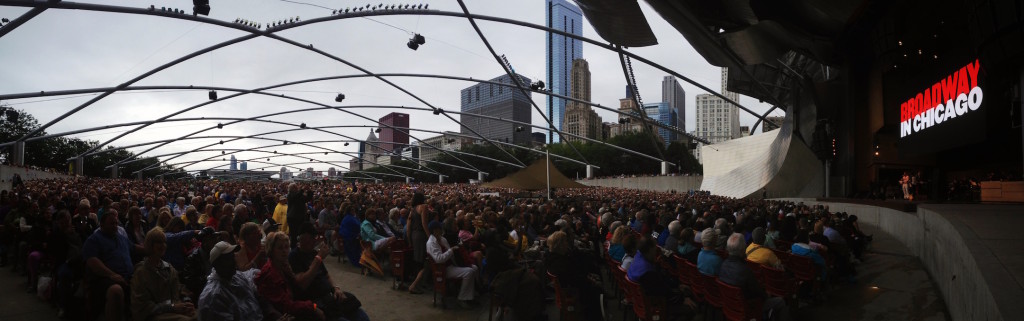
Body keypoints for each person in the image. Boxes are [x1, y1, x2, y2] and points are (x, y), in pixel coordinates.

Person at [290, 222, 371, 321]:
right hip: (317, 302)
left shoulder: (313, 253)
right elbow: (302, 284)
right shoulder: (294, 256)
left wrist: (336, 288)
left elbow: (326, 275)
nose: (315, 240)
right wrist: (318, 258)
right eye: (312, 238)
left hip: (330, 297)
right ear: (303, 238)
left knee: (362, 316)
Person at [719, 233, 791, 321]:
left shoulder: (722, 265)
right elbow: (758, 292)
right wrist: (766, 295)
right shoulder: (745, 271)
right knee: (780, 301)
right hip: (748, 306)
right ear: (743, 249)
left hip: (730, 304)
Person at [256, 232, 327, 320]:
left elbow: (297, 288)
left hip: (294, 306)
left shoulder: (282, 265)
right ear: (271, 250)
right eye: (280, 248)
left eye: (286, 247)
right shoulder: (270, 273)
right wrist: (313, 307)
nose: (284, 251)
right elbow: (287, 305)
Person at [130, 228, 197, 321]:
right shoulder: (141, 272)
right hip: (154, 315)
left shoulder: (168, 267)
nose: (163, 245)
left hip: (174, 310)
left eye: (164, 242)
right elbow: (142, 305)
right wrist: (172, 307)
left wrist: (186, 301)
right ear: (150, 245)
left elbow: (180, 288)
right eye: (159, 242)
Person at [82, 209, 134, 321]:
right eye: (111, 223)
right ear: (101, 224)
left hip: (127, 275)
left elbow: (134, 248)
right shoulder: (94, 239)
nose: (115, 226)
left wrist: (150, 249)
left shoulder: (121, 237)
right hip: (104, 278)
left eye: (116, 223)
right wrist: (111, 275)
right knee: (116, 291)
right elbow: (92, 261)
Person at [627, 237, 696, 320]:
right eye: (654, 248)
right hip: (655, 306)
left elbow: (660, 284)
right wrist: (682, 299)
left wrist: (678, 286)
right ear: (649, 249)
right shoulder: (648, 272)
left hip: (641, 302)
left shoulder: (638, 257)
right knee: (690, 309)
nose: (656, 250)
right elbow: (665, 292)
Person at [198, 241, 263, 321]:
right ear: (217, 264)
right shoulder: (214, 296)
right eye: (228, 259)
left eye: (233, 257)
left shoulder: (236, 276)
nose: (234, 261)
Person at [545, 231, 602, 321]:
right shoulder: (560, 263)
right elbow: (575, 279)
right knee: (595, 290)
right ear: (560, 245)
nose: (567, 243)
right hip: (570, 290)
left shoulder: (554, 258)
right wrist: (589, 279)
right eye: (565, 241)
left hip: (568, 286)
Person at [426, 220, 477, 309]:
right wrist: (451, 250)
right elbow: (438, 259)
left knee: (473, 268)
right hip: (442, 269)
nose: (441, 230)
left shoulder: (442, 239)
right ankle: (462, 298)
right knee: (469, 272)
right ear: (434, 230)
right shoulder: (431, 243)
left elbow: (451, 254)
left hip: (450, 265)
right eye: (439, 229)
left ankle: (469, 296)